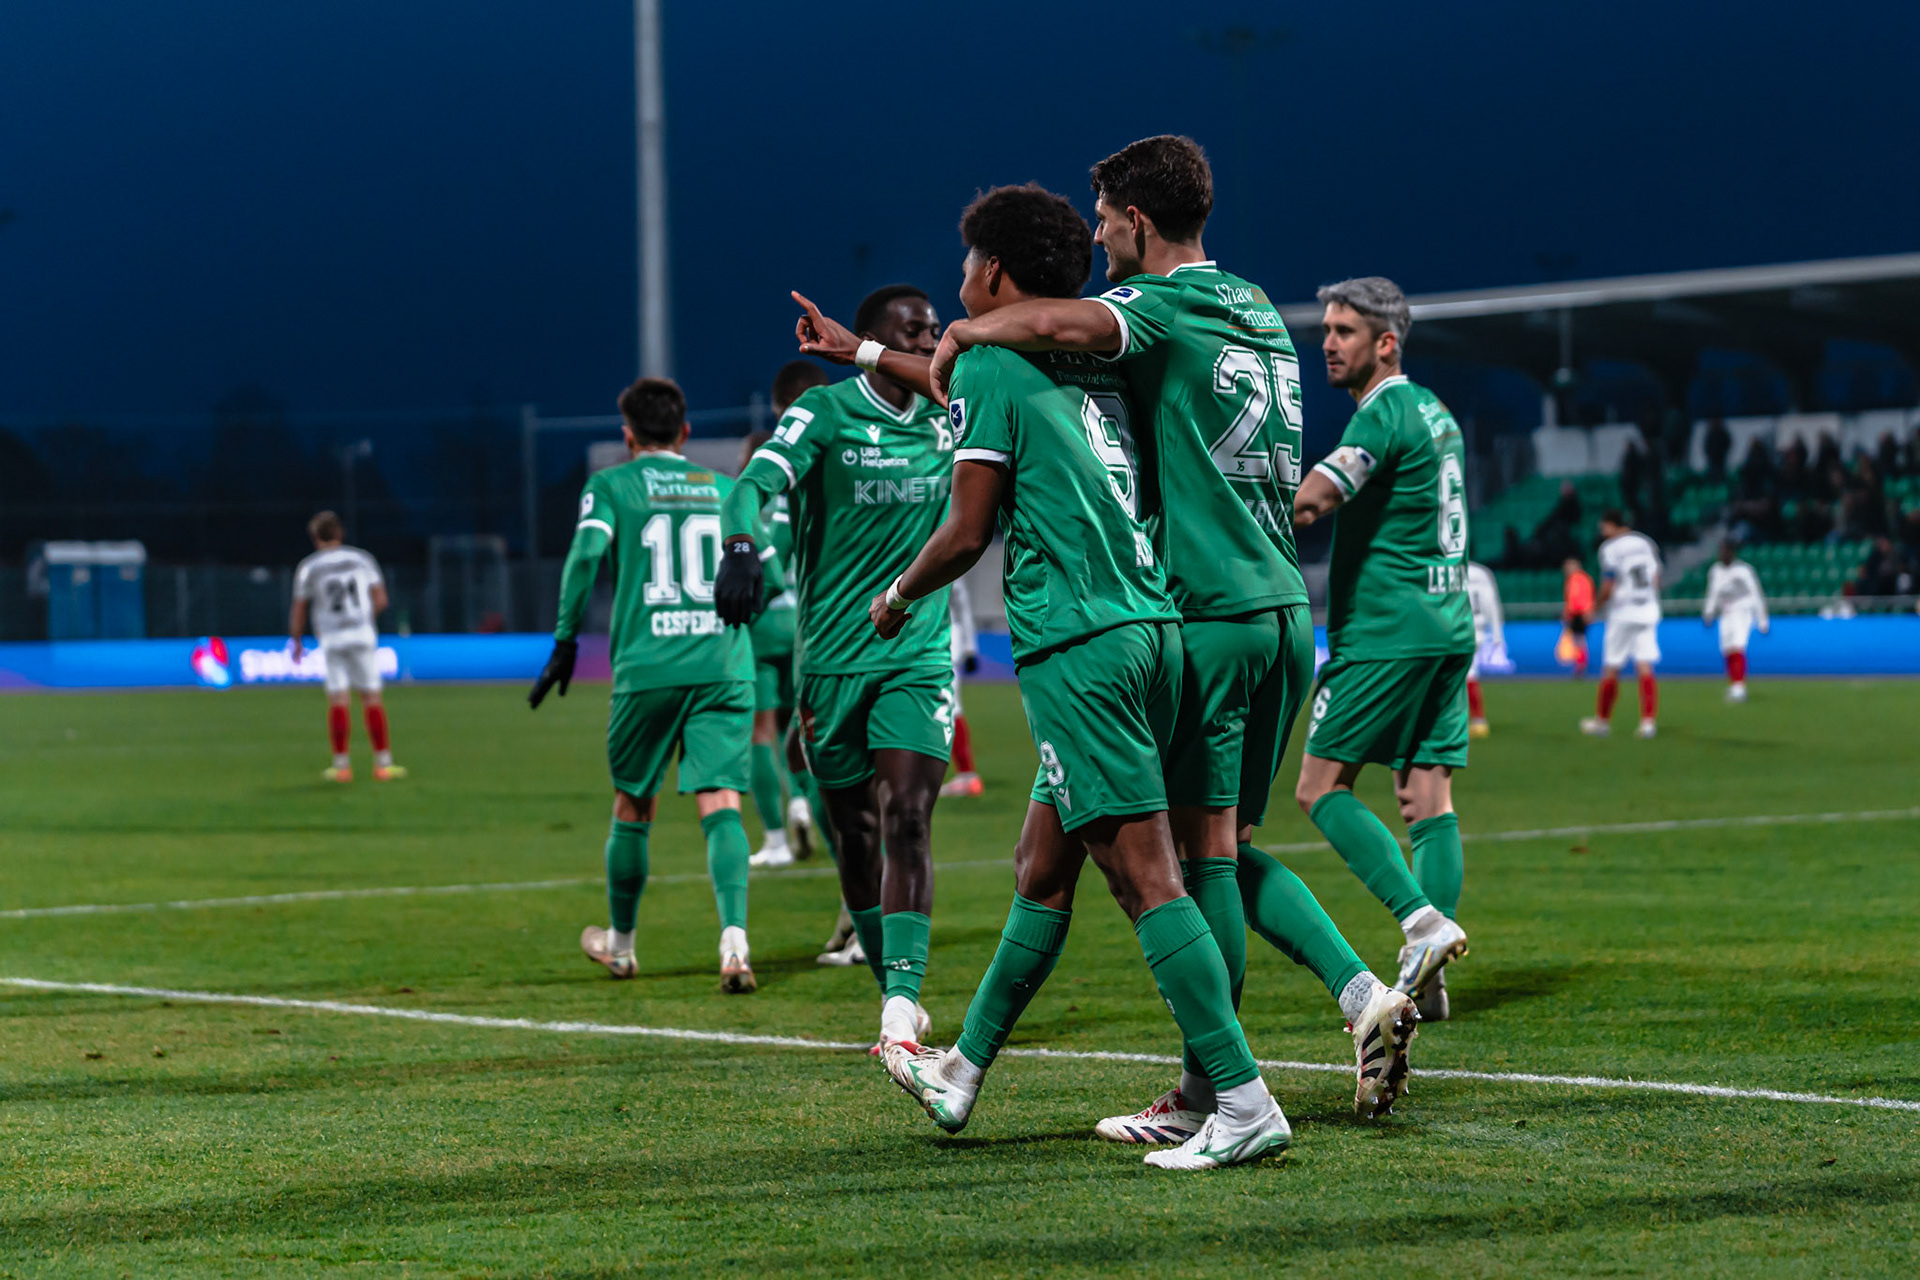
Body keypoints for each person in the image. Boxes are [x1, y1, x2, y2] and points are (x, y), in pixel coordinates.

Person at [904, 135, 1416, 1127]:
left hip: (1195, 610)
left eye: (1105, 218)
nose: (1097, 236)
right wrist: (883, 352)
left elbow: (1055, 328)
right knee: (1087, 854)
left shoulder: (1151, 308)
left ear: (1140, 222)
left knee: (1196, 860)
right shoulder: (1259, 306)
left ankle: (1220, 1091)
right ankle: (968, 1066)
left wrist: (966, 335)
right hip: (1279, 603)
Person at [870, 182, 1288, 1169]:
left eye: (968, 264)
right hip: (1157, 630)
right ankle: (960, 1069)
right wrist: (865, 352)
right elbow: (959, 376)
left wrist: (897, 596)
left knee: (1148, 878)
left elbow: (969, 528)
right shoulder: (1100, 358)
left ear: (995, 272)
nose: (959, 284)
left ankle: (1240, 1096)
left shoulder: (992, 365)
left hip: (1077, 641)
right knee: (1041, 862)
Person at [714, 285, 953, 1051]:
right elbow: (752, 485)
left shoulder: (956, 415)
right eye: (913, 330)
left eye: (934, 327)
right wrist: (741, 547)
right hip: (830, 665)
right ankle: (894, 991)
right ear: (874, 340)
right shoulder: (825, 413)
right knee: (852, 831)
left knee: (907, 818)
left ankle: (901, 1004)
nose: (931, 337)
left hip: (915, 656)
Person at [528, 377, 758, 993]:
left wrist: (564, 638)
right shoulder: (726, 488)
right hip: (723, 663)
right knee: (722, 800)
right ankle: (734, 942)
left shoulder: (610, 486)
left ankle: (623, 948)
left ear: (629, 436)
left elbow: (583, 557)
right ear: (685, 433)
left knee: (634, 803)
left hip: (648, 666)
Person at [1291, 277, 1475, 1025]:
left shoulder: (1386, 411)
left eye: (1344, 331)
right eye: (1327, 330)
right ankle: (1427, 980)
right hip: (1447, 623)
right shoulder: (1435, 411)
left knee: (1319, 788)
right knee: (1427, 797)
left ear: (1386, 342)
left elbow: (1318, 498)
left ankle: (1421, 922)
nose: (1328, 343)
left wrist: (1244, 502)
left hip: (1388, 630)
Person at [741, 360, 831, 870]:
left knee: (760, 732)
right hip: (804, 627)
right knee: (807, 731)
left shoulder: (758, 502)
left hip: (759, 628)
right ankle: (803, 801)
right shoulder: (817, 486)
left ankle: (775, 837)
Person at [290, 511, 403, 783]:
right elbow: (381, 600)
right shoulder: (362, 559)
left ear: (316, 538)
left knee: (338, 699)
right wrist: (364, 619)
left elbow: (300, 607)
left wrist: (296, 639)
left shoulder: (309, 566)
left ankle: (342, 766)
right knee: (371, 698)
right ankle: (383, 765)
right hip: (362, 633)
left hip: (331, 637)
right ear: (340, 533)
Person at [1581, 510, 1663, 739]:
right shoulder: (1646, 542)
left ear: (1610, 525)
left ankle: (1602, 721)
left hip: (1622, 612)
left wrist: (1594, 609)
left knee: (1612, 666)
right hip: (1647, 610)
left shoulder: (1610, 548)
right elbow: (1656, 577)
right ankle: (1648, 723)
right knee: (1645, 666)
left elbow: (1608, 583)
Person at [1702, 540, 1768, 703]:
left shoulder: (1743, 570)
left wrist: (1762, 618)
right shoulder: (1715, 570)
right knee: (1726, 649)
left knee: (1738, 645)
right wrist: (1709, 612)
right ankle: (1734, 683)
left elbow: (1756, 593)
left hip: (1742, 611)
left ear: (1732, 553)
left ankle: (1740, 687)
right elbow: (1713, 593)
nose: (1722, 555)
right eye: (1720, 551)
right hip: (1726, 612)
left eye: (1725, 551)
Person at [940, 576, 985, 797]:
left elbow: (961, 603)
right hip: (940, 639)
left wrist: (969, 647)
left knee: (950, 705)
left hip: (943, 640)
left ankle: (967, 775)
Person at [1465, 560, 1507, 736]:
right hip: (1479, 630)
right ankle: (1478, 720)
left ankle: (1476, 720)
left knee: (1463, 676)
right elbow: (1493, 604)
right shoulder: (1483, 572)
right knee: (1469, 674)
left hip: (1459, 629)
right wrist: (1498, 635)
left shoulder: (1451, 568)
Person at [1558, 557, 1594, 675]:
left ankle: (1580, 666)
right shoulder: (1573, 580)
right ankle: (1579, 665)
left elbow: (1585, 598)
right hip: (1576, 614)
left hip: (1580, 614)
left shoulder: (1581, 579)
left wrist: (1587, 611)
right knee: (1577, 640)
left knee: (1579, 640)